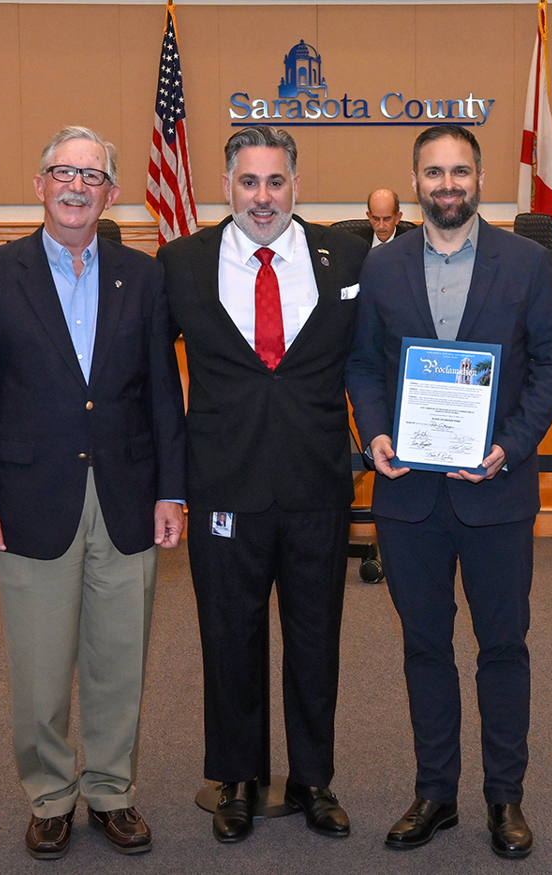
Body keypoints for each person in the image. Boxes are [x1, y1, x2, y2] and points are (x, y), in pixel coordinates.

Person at [0, 126, 186, 860]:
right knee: (41, 665)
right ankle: (50, 795)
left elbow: (162, 395)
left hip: (126, 494)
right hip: (26, 500)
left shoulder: (143, 277)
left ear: (112, 193)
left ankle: (112, 790)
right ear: (40, 183)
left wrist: (171, 490)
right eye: (63, 171)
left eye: (92, 175)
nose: (77, 186)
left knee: (119, 660)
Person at [345, 125, 552, 859]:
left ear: (478, 179)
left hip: (496, 496)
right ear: (414, 180)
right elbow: (362, 367)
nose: (448, 184)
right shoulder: (382, 268)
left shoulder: (526, 262)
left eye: (460, 172)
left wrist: (510, 442)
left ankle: (504, 797)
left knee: (503, 646)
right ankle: (435, 792)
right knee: (424, 647)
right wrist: (377, 432)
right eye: (434, 172)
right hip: (408, 496)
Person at [158, 125, 368, 843]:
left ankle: (314, 778)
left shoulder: (347, 253)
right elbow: (157, 382)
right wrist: (167, 483)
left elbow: (369, 356)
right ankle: (238, 777)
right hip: (224, 486)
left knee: (317, 638)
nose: (262, 197)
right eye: (249, 182)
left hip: (317, 484)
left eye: (275, 182)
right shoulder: (182, 262)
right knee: (229, 636)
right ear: (227, 186)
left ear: (296, 186)